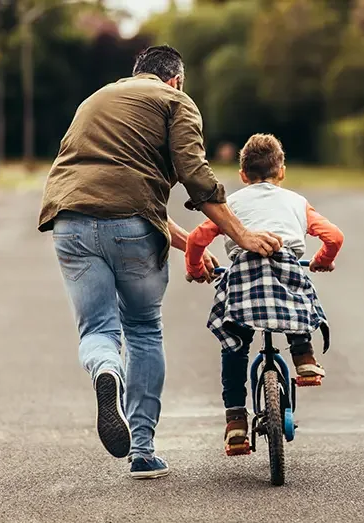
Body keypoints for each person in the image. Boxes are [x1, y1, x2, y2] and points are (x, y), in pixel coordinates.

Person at [37, 46, 282, 479]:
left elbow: (127, 193)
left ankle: (106, 370)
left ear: (135, 74)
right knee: (143, 329)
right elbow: (195, 175)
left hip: (69, 222)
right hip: (132, 228)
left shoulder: (95, 100)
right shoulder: (175, 101)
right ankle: (143, 452)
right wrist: (241, 235)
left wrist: (193, 245)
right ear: (177, 80)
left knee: (98, 330)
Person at [185, 134, 344, 454]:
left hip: (245, 281)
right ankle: (304, 358)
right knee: (299, 295)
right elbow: (334, 237)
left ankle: (235, 424)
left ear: (243, 175)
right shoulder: (297, 203)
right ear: (281, 171)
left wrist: (195, 268)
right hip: (286, 273)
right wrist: (322, 260)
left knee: (235, 344)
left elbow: (196, 239)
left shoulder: (229, 207)